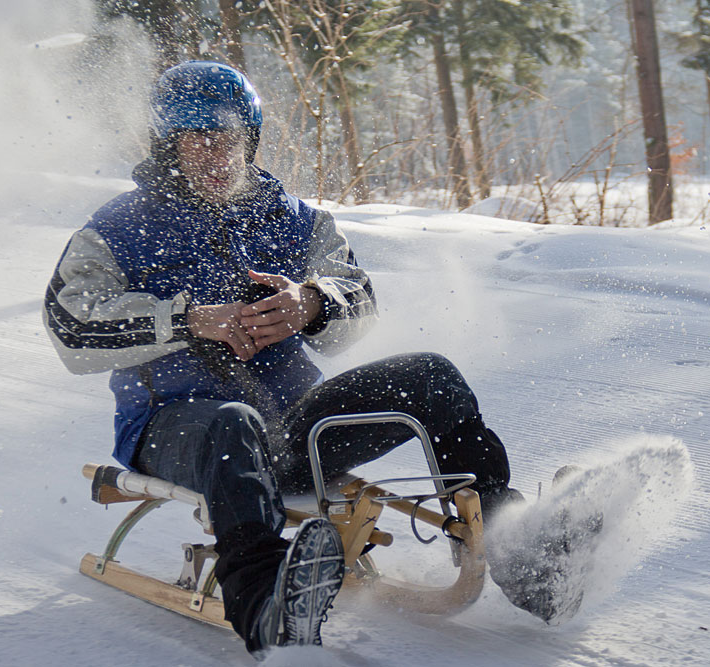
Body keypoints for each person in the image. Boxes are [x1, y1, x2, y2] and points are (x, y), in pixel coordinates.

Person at [44, 61, 546, 658]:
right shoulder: (118, 229)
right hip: (181, 429)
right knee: (234, 422)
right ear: (167, 144)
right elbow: (71, 327)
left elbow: (357, 297)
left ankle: (521, 552)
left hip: (294, 430)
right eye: (195, 138)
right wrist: (184, 320)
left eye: (227, 139)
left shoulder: (296, 221)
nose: (213, 154)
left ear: (249, 140)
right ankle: (264, 602)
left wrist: (311, 303)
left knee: (432, 376)